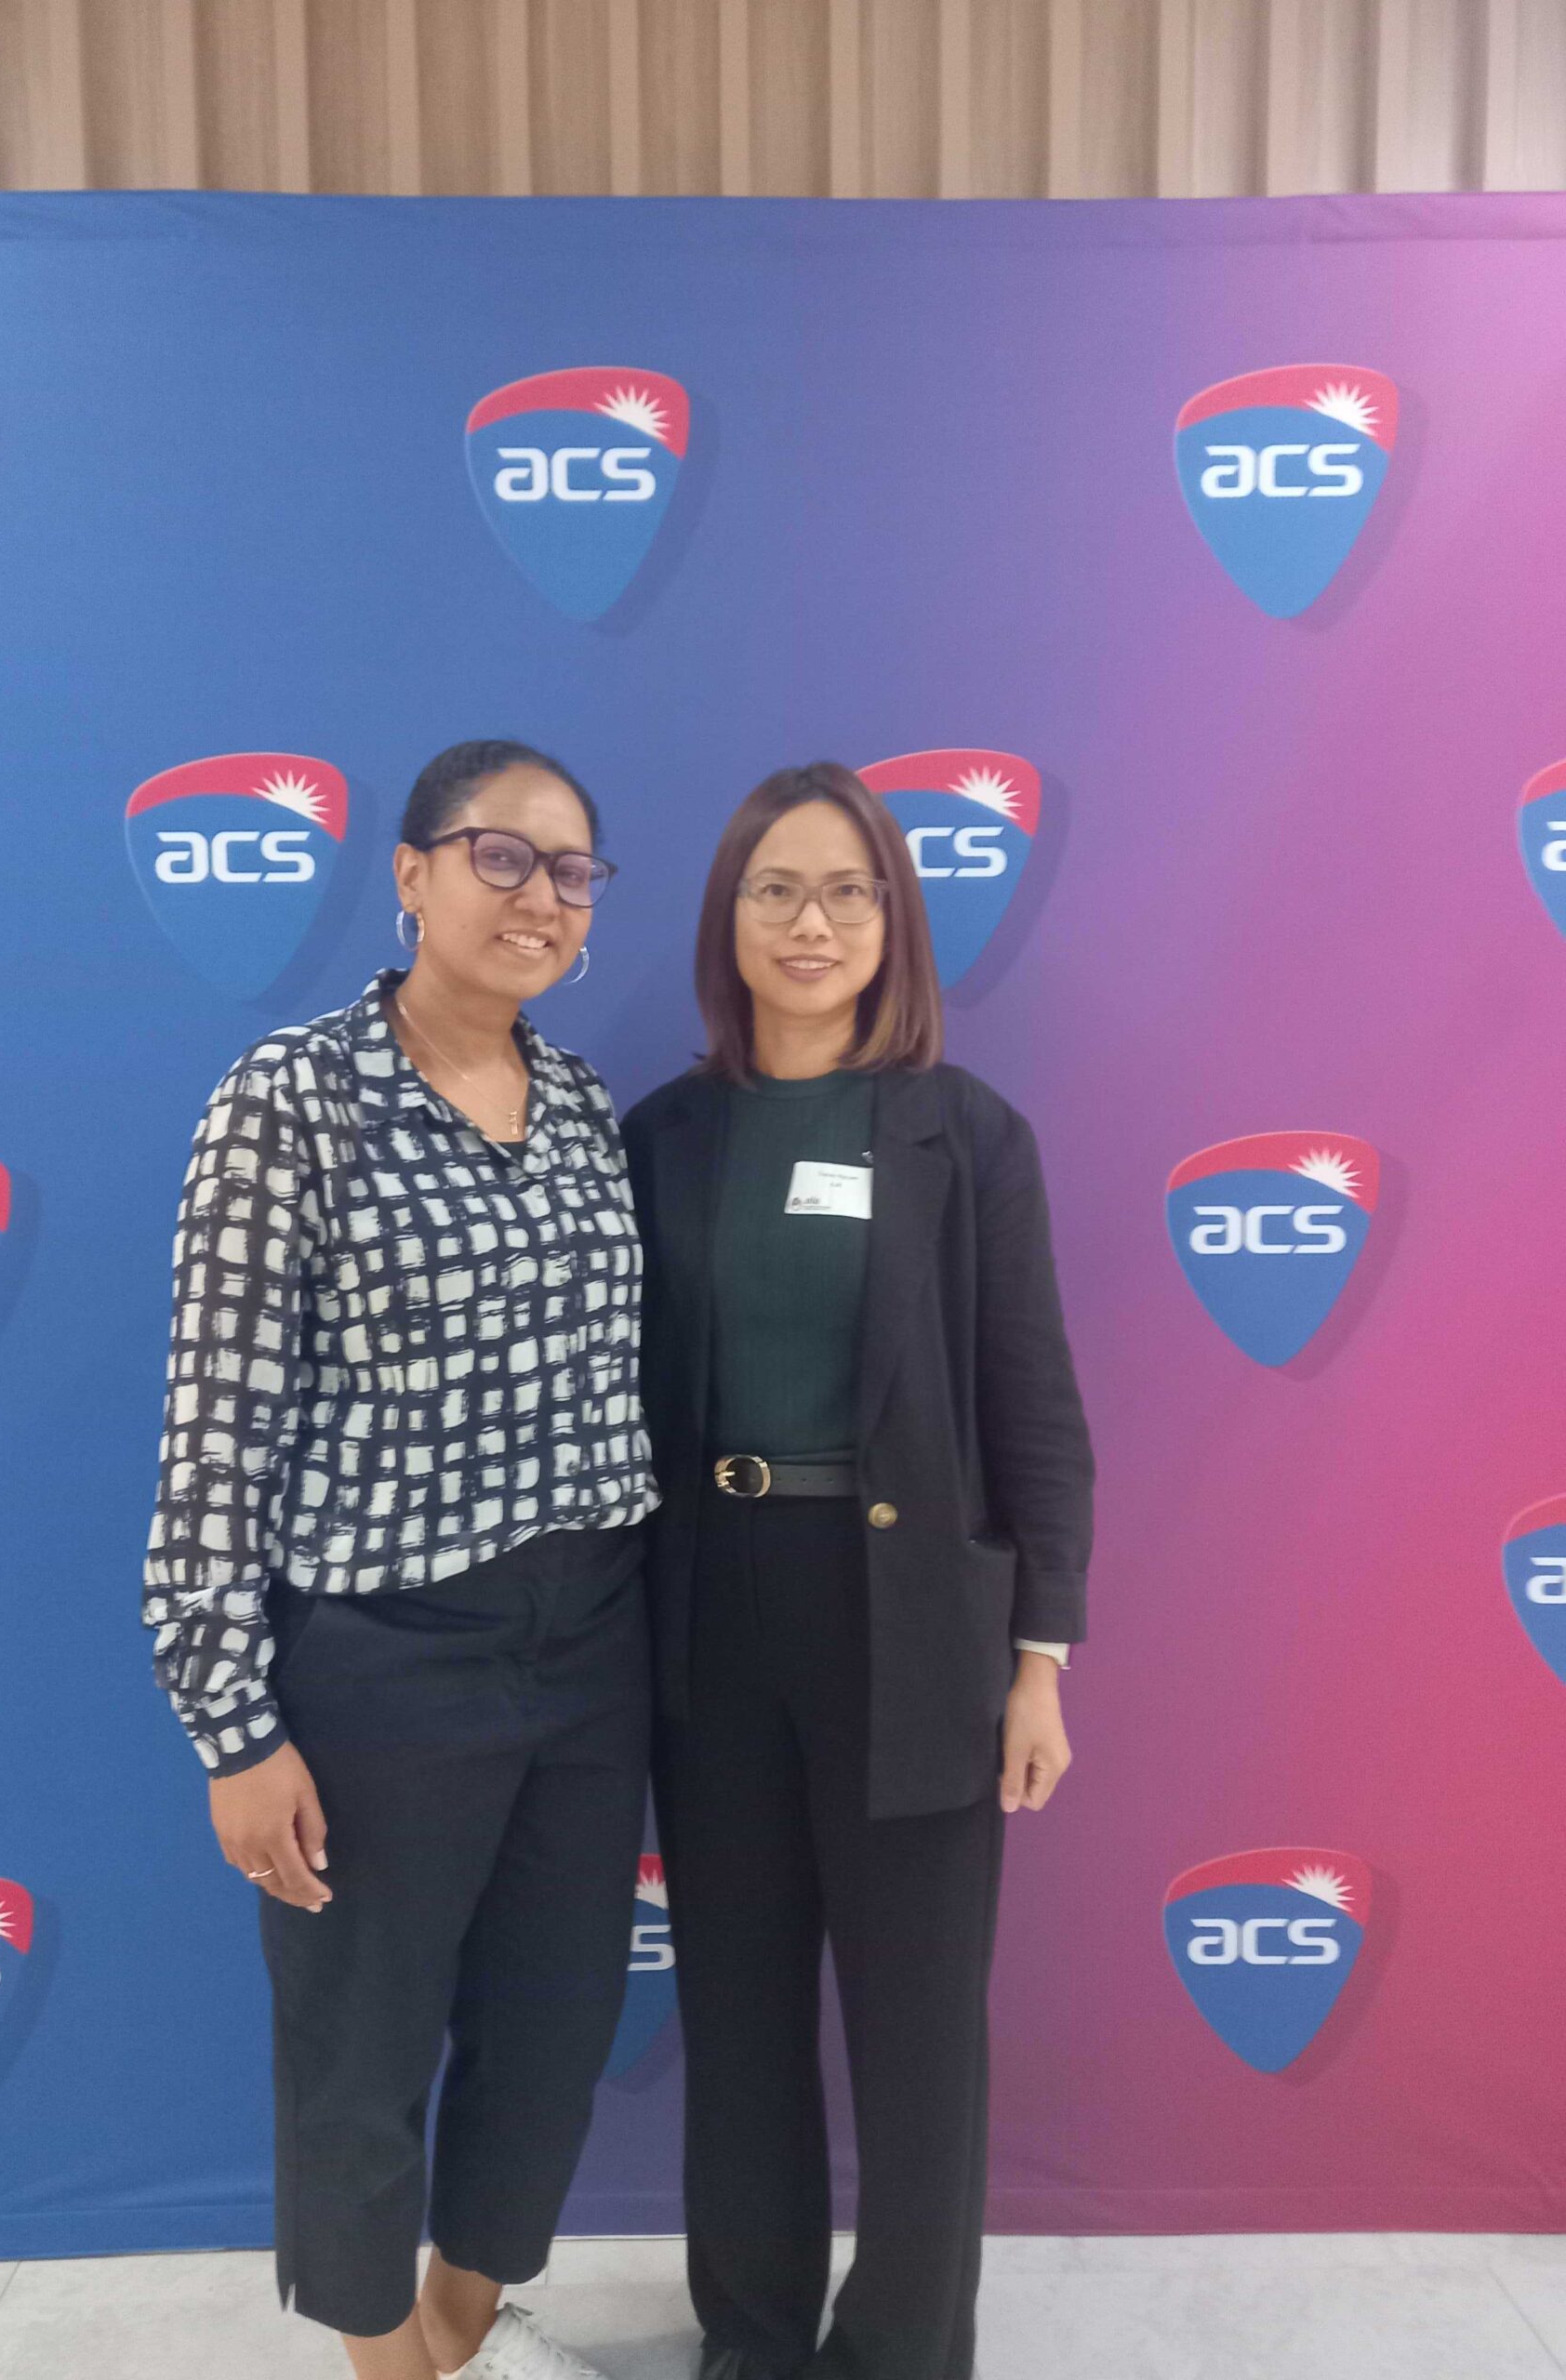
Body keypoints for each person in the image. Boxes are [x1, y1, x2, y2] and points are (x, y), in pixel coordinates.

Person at [143, 739, 657, 2380]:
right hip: (385, 1661)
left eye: (572, 872)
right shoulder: (290, 1098)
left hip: (590, 1648)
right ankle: (387, 2368)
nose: (540, 897)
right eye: (502, 856)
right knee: (359, 2061)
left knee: (553, 2032)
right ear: (413, 873)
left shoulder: (581, 1104)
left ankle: (465, 2335)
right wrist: (233, 1727)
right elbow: (214, 1430)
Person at [621, 761, 1095, 2380]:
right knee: (741, 2012)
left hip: (914, 1629)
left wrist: (1041, 1658)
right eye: (775, 890)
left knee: (918, 2027)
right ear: (728, 919)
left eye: (845, 891)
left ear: (893, 921)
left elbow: (1036, 1407)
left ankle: (900, 2347)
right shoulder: (663, 1137)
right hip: (715, 1616)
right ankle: (752, 2335)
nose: (809, 922)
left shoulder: (968, 1134)